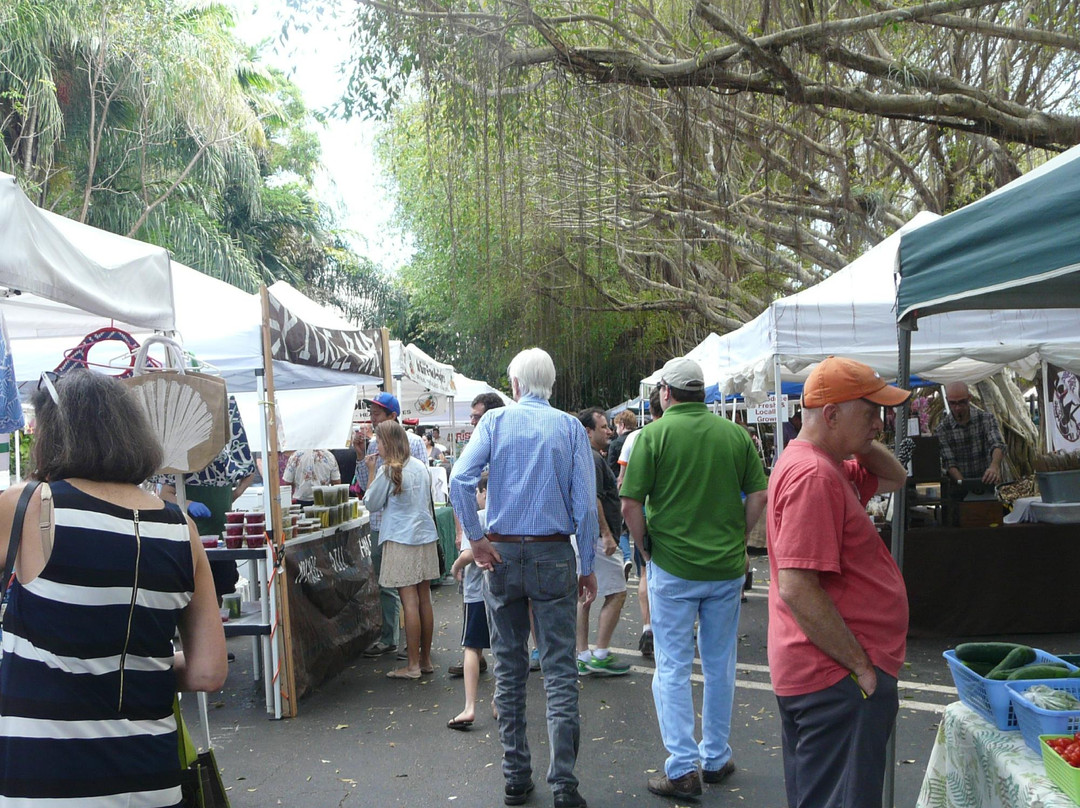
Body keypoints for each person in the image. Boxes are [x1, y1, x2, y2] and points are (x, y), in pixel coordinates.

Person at [0, 370, 227, 805]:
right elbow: (208, 672)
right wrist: (139, 662)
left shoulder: (27, 505)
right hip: (151, 780)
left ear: (52, 433)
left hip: (43, 781)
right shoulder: (182, 528)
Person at [450, 347, 597, 808]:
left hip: (502, 552)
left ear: (514, 385)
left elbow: (459, 480)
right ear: (549, 383)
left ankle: (516, 776)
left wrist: (475, 540)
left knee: (510, 669)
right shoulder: (571, 427)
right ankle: (564, 784)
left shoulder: (495, 423)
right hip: (554, 553)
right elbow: (586, 507)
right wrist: (588, 565)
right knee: (559, 670)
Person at [620, 357, 768, 800]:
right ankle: (716, 757)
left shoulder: (653, 435)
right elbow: (759, 493)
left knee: (672, 667)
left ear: (666, 392)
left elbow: (630, 503)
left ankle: (683, 767)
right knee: (720, 664)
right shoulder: (734, 435)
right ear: (700, 392)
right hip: (725, 569)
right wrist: (739, 536)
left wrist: (644, 547)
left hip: (674, 567)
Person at [766, 356, 910, 808]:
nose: (880, 424)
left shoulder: (819, 462)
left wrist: (858, 440)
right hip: (836, 675)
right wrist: (862, 669)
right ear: (831, 415)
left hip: (826, 672)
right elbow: (797, 585)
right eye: (870, 413)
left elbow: (895, 477)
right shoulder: (814, 474)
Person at [157, 394, 256, 601]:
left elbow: (249, 472)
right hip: (193, 537)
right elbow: (164, 493)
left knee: (223, 587)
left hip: (222, 537)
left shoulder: (225, 453)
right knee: (195, 592)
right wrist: (188, 504)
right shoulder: (183, 454)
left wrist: (233, 495)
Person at [363, 420, 440, 679]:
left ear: (388, 443)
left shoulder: (387, 471)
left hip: (400, 538)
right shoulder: (420, 466)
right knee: (424, 599)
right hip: (425, 536)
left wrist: (372, 471)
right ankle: (425, 660)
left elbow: (371, 503)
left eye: (379, 441)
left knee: (409, 601)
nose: (377, 445)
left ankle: (413, 665)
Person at [353, 392, 427, 659]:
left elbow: (411, 484)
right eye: (371, 414)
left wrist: (380, 474)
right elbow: (363, 484)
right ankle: (391, 638)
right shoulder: (373, 445)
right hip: (384, 525)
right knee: (388, 584)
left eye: (377, 414)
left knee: (411, 591)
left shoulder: (414, 443)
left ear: (392, 417)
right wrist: (362, 457)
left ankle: (413, 647)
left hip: (402, 526)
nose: (372, 419)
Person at [575, 407, 630, 677]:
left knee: (584, 596)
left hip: (588, 536)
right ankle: (599, 654)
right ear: (588, 431)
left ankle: (584, 654)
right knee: (617, 592)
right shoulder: (593, 460)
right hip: (598, 538)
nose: (609, 431)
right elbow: (593, 499)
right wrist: (607, 534)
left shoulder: (588, 457)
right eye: (603, 427)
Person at [617, 385, 664, 658]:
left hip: (642, 511)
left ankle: (648, 627)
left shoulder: (635, 437)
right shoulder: (679, 433)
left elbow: (623, 481)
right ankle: (669, 627)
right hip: (671, 514)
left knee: (646, 570)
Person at [447, 472, 493, 729]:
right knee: (502, 648)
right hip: (501, 593)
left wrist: (455, 567)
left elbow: (467, 553)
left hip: (477, 594)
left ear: (484, 492)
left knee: (472, 649)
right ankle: (499, 702)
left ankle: (470, 706)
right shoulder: (507, 518)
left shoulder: (476, 518)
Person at [935, 381, 1006, 485]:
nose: (957, 408)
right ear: (947, 401)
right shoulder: (942, 429)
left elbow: (997, 444)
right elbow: (949, 463)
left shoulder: (986, 419)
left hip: (990, 483)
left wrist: (994, 467)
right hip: (961, 489)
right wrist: (966, 485)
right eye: (953, 403)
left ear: (969, 398)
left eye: (962, 402)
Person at [607, 410, 638, 578]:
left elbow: (611, 469)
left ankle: (626, 557)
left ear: (622, 425)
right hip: (640, 489)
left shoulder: (616, 444)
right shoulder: (642, 437)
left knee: (623, 529)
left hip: (622, 489)